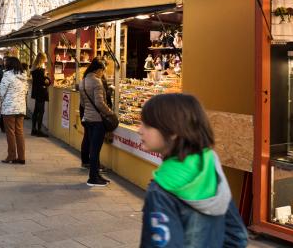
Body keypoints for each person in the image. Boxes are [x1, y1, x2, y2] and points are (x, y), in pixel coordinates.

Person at [138, 94, 248, 247]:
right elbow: (238, 237)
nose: (139, 130)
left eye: (147, 125)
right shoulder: (210, 167)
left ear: (173, 131)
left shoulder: (161, 189)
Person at [79, 58, 112, 187]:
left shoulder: (83, 81)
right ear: (99, 70)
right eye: (102, 71)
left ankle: (96, 175)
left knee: (93, 148)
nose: (102, 74)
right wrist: (109, 112)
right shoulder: (97, 82)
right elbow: (99, 103)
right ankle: (93, 178)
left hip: (88, 118)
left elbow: (82, 103)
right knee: (95, 149)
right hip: (98, 119)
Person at [0, 56, 28, 165]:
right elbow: (26, 92)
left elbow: (1, 93)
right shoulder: (24, 76)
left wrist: (0, 103)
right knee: (19, 132)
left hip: (9, 108)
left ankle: (11, 156)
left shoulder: (7, 76)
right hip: (20, 108)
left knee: (10, 132)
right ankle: (21, 157)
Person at [30, 53, 50, 138]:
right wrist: (47, 78)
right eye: (45, 58)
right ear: (42, 59)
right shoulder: (41, 70)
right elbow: (45, 82)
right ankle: (39, 130)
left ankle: (33, 129)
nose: (46, 60)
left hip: (36, 92)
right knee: (41, 111)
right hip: (41, 92)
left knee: (36, 111)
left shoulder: (34, 69)